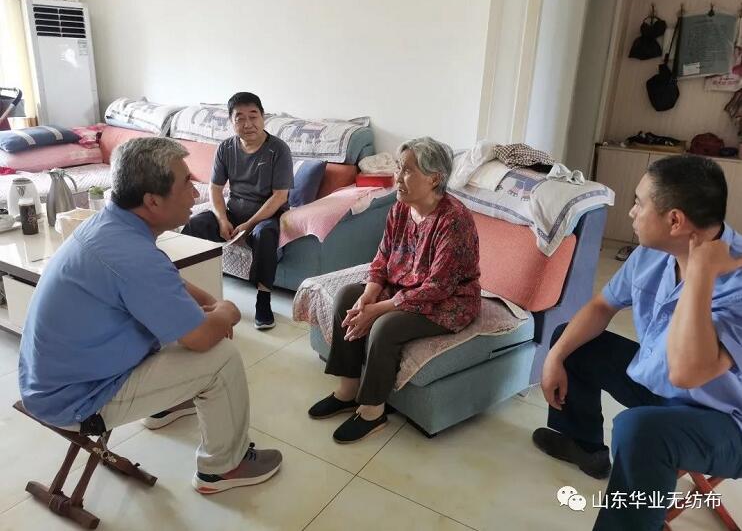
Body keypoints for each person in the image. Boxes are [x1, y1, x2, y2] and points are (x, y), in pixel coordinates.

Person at [18, 137, 282, 495]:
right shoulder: (131, 257)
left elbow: (165, 280)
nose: (195, 193)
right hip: (77, 400)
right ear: (152, 201)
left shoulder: (111, 226)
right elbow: (201, 337)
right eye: (187, 184)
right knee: (220, 357)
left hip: (53, 381)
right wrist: (229, 312)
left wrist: (209, 304)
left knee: (176, 323)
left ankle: (163, 405)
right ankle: (222, 468)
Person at [531, 155, 742, 530]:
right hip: (659, 384)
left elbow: (686, 373)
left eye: (639, 203)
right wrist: (554, 357)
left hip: (723, 420)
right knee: (570, 341)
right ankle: (585, 446)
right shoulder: (653, 252)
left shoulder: (735, 282)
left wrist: (700, 273)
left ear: (675, 221)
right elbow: (602, 306)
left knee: (639, 431)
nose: (631, 212)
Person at [307, 137, 481, 443]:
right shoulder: (401, 207)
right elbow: (382, 257)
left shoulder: (455, 221)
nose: (397, 177)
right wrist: (369, 295)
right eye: (399, 167)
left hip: (448, 301)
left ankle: (372, 411)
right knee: (348, 296)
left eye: (408, 170)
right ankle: (348, 391)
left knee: (385, 326)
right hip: (404, 285)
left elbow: (437, 288)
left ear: (435, 178)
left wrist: (379, 309)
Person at [181, 91, 293, 330]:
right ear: (231, 122)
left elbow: (279, 196)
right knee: (195, 224)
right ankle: (187, 292)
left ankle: (263, 300)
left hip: (267, 216)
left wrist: (249, 225)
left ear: (263, 117)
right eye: (240, 118)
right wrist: (222, 219)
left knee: (265, 234)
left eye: (253, 116)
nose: (248, 124)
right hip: (233, 211)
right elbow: (215, 188)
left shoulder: (278, 149)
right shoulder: (226, 148)